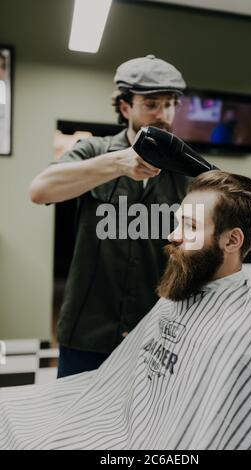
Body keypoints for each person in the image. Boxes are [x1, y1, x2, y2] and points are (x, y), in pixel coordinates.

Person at [2, 170, 251, 450]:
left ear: (232, 240)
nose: (173, 234)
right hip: (122, 421)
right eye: (178, 221)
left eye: (191, 226)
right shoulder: (179, 294)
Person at [29, 55, 190, 378]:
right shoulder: (93, 151)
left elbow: (195, 251)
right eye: (152, 104)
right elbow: (40, 190)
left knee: (141, 425)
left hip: (152, 333)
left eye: (170, 104)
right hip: (87, 330)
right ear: (125, 107)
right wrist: (117, 164)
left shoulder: (184, 171)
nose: (164, 114)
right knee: (76, 422)